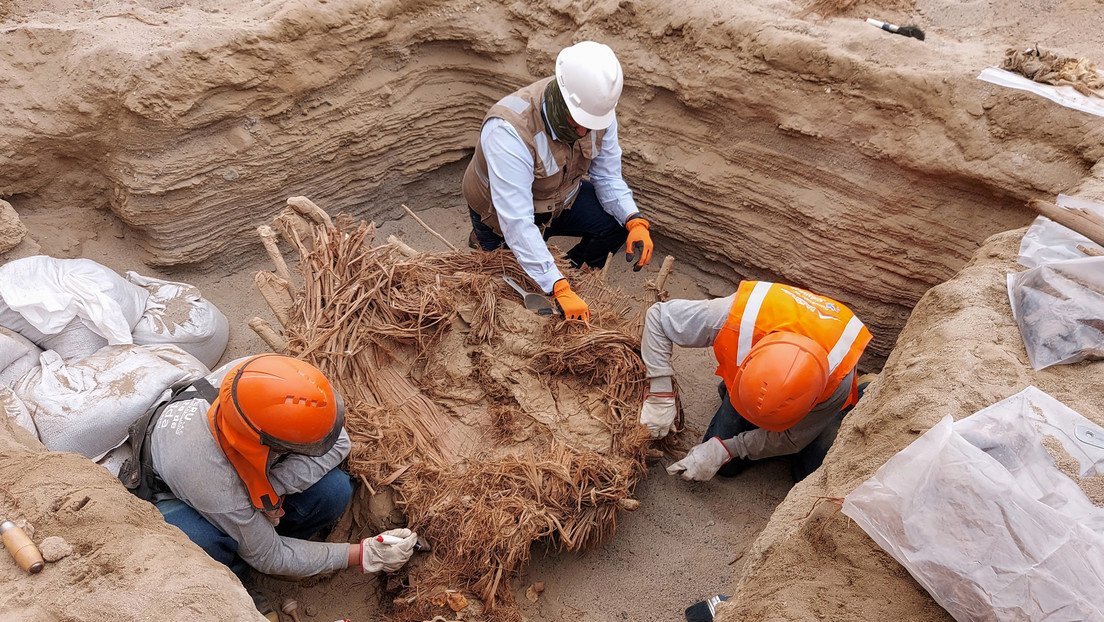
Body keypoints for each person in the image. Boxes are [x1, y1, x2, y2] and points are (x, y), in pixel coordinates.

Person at [119, 353, 417, 584]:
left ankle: (284, 541)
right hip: (177, 492)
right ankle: (238, 580)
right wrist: (364, 555)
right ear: (266, 445)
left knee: (334, 491)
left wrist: (271, 489)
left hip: (233, 464)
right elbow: (268, 555)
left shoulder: (269, 378)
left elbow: (339, 443)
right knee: (203, 542)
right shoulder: (206, 473)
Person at [462, 40, 655, 322]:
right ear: (560, 97)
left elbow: (607, 176)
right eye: (576, 121)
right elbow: (516, 220)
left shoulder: (595, 113)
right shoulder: (508, 132)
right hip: (500, 217)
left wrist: (633, 218)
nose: (582, 131)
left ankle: (571, 271)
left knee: (616, 225)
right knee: (515, 294)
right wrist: (554, 285)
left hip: (561, 200)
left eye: (590, 124)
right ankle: (487, 243)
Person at [638, 281, 872, 482]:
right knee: (726, 469)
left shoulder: (836, 380)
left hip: (825, 395)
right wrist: (660, 392)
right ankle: (741, 398)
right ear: (747, 362)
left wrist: (729, 448)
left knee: (809, 472)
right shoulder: (732, 317)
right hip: (769, 332)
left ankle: (865, 392)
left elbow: (792, 439)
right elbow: (659, 317)